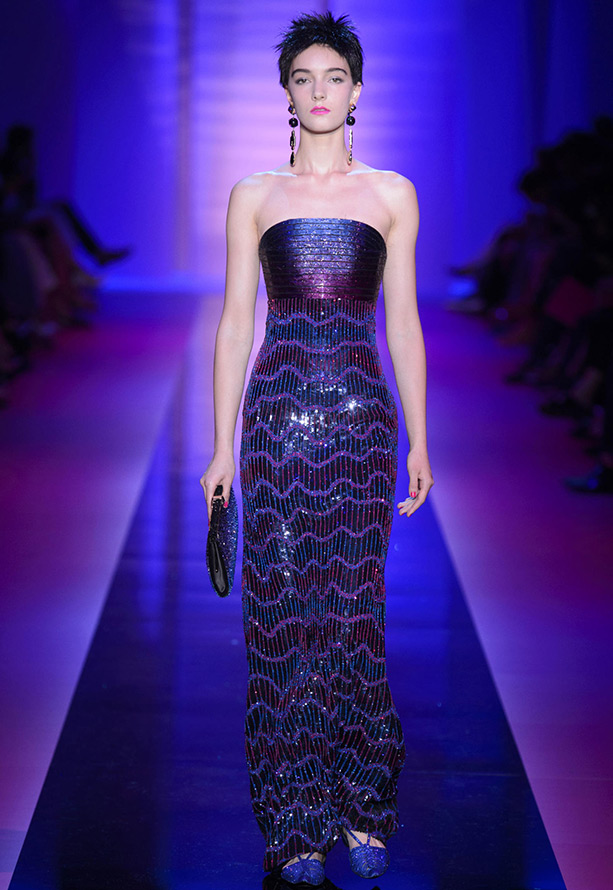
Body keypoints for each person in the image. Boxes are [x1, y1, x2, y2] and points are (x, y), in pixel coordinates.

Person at [201, 12, 433, 885]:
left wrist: (419, 436)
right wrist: (219, 446)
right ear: (286, 94)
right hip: (275, 420)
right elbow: (235, 323)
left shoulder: (392, 194)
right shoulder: (253, 195)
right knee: (280, 616)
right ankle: (295, 819)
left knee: (353, 613)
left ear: (358, 89)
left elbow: (403, 323)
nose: (319, 91)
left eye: (334, 76)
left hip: (363, 424)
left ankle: (364, 804)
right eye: (303, 77)